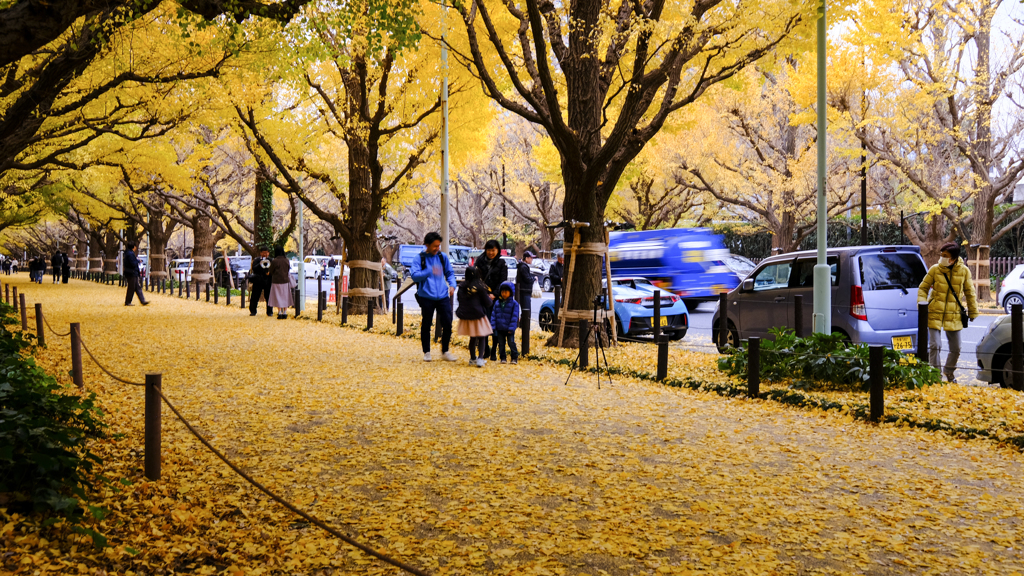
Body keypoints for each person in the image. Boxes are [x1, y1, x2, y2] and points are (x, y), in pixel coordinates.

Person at [917, 242, 979, 382]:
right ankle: (935, 376)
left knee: (956, 348)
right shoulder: (935, 269)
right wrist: (922, 304)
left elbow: (970, 293)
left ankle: (949, 372)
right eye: (941, 255)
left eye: (945, 256)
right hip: (934, 312)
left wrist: (973, 312)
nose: (942, 258)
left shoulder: (964, 271)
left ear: (954, 258)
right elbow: (923, 288)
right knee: (935, 346)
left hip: (954, 314)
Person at [411, 231, 458, 362]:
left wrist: (452, 285)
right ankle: (427, 352)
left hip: (443, 296)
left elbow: (450, 273)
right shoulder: (419, 258)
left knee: (448, 322)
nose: (437, 248)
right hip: (426, 296)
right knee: (426, 323)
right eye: (434, 246)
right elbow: (414, 276)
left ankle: (445, 350)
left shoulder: (442, 257)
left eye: (438, 246)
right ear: (427, 245)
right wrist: (429, 271)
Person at [474, 239, 507, 361]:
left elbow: (502, 281)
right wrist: (484, 294)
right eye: (489, 250)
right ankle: (485, 348)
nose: (491, 252)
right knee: (483, 323)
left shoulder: (501, 263)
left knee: (495, 325)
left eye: (493, 250)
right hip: (482, 298)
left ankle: (494, 350)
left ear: (497, 250)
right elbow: (476, 279)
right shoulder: (480, 261)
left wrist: (494, 294)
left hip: (496, 300)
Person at [456, 266, 494, 367]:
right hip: (478, 314)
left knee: (473, 337)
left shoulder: (462, 286)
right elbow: (487, 302)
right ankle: (480, 359)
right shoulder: (479, 287)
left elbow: (459, 300)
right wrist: (490, 299)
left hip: (466, 314)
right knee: (482, 336)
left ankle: (472, 358)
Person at [490, 281, 521, 364]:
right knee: (501, 344)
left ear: (510, 293)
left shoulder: (514, 304)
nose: (504, 294)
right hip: (500, 328)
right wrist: (493, 326)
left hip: (509, 328)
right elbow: (494, 315)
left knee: (511, 342)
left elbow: (515, 317)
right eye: (502, 292)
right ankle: (503, 357)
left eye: (506, 292)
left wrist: (511, 327)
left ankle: (514, 357)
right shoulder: (497, 303)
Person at [267, 246, 294, 319]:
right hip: (285, 281)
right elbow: (288, 270)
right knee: (285, 296)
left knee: (278, 297)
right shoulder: (286, 260)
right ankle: (285, 312)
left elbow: (271, 271)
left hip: (276, 281)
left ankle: (279, 312)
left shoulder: (274, 261)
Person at [248, 246, 274, 317]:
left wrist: (269, 273)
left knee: (268, 297)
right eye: (263, 253)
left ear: (268, 253)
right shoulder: (256, 260)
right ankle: (253, 311)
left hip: (268, 281)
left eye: (266, 253)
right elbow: (254, 269)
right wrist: (260, 264)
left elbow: (273, 270)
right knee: (255, 296)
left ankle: (269, 312)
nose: (265, 254)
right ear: (261, 253)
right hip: (258, 280)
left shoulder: (271, 260)